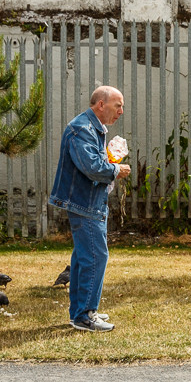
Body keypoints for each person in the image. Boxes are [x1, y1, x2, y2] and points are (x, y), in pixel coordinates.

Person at [49, 85, 131, 332]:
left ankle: (80, 313)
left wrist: (109, 159)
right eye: (118, 106)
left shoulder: (91, 128)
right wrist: (117, 170)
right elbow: (91, 167)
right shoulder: (81, 129)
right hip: (84, 204)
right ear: (101, 105)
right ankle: (85, 315)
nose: (121, 111)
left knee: (84, 258)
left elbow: (93, 162)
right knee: (95, 256)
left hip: (89, 202)